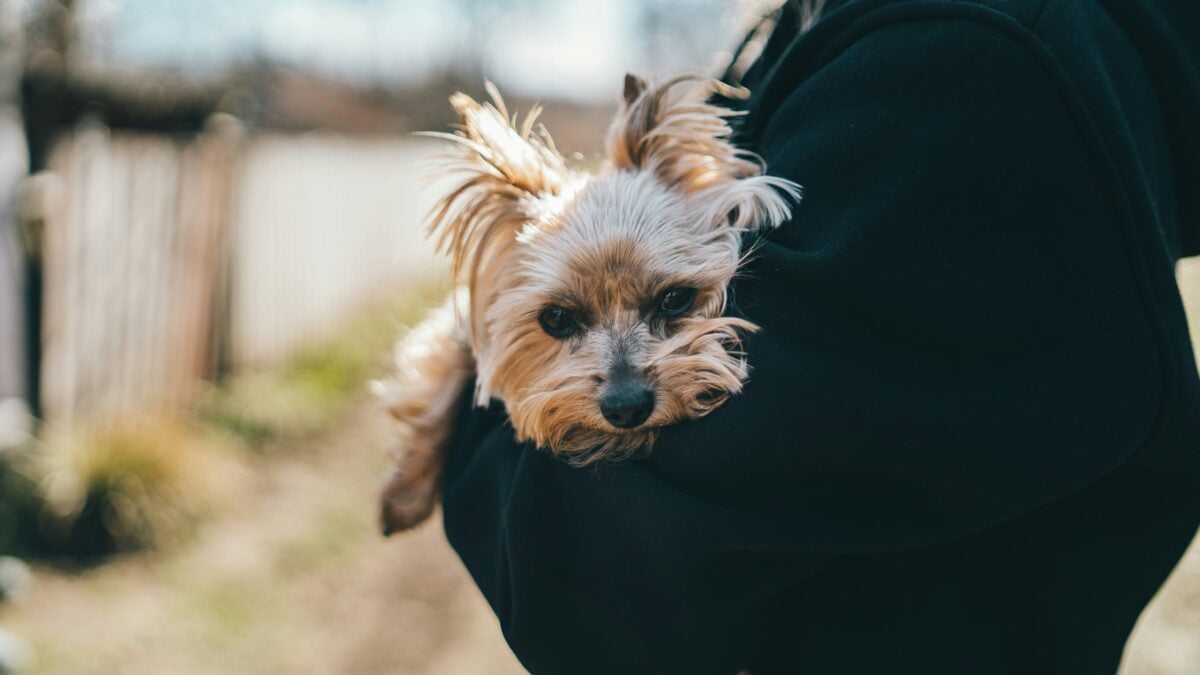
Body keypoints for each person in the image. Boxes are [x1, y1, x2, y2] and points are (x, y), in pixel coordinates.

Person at [437, 0, 1200, 672]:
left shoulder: (958, 64)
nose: (625, 377)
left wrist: (459, 434)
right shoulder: (805, 34)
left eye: (675, 302)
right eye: (564, 322)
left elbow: (591, 593)